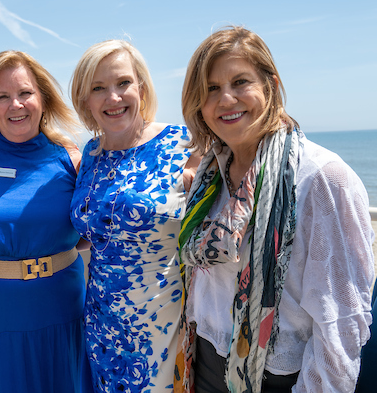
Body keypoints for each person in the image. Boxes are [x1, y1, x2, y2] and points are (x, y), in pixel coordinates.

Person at [179, 26, 375, 392]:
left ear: (270, 84)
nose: (226, 99)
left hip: (279, 379)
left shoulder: (322, 180)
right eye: (211, 89)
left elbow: (341, 326)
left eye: (240, 82)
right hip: (203, 364)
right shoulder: (209, 175)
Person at [0, 50, 91, 393]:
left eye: (25, 93)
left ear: (43, 98)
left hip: (62, 307)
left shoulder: (72, 157)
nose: (16, 104)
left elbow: (89, 232)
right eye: (2, 97)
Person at [69, 40, 200, 392]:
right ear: (85, 100)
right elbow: (98, 229)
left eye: (123, 83)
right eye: (99, 88)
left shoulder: (183, 143)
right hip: (100, 326)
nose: (113, 97)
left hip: (160, 327)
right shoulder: (91, 154)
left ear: (141, 87)